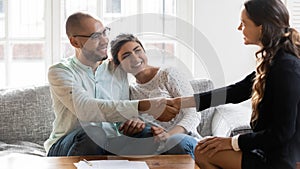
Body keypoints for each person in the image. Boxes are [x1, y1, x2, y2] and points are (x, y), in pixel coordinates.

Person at [172, 0, 300, 168]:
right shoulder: (274, 60)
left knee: (203, 151)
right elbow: (236, 91)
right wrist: (181, 103)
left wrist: (232, 142)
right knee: (203, 148)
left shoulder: (286, 67)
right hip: (268, 151)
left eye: (243, 23)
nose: (239, 28)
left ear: (261, 27)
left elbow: (281, 133)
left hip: (279, 160)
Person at [44, 12, 179, 156]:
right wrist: (144, 105)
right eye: (95, 36)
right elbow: (85, 109)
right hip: (70, 143)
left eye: (104, 33)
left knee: (149, 135)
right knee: (92, 133)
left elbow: (121, 113)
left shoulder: (116, 69)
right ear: (75, 42)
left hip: (110, 143)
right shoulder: (60, 71)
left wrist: (132, 122)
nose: (104, 41)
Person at [110, 33, 202, 158]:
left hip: (183, 140)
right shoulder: (129, 91)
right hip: (153, 146)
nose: (135, 58)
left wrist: (169, 135)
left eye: (138, 51)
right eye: (126, 56)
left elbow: (194, 113)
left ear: (144, 52)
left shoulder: (168, 75)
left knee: (174, 142)